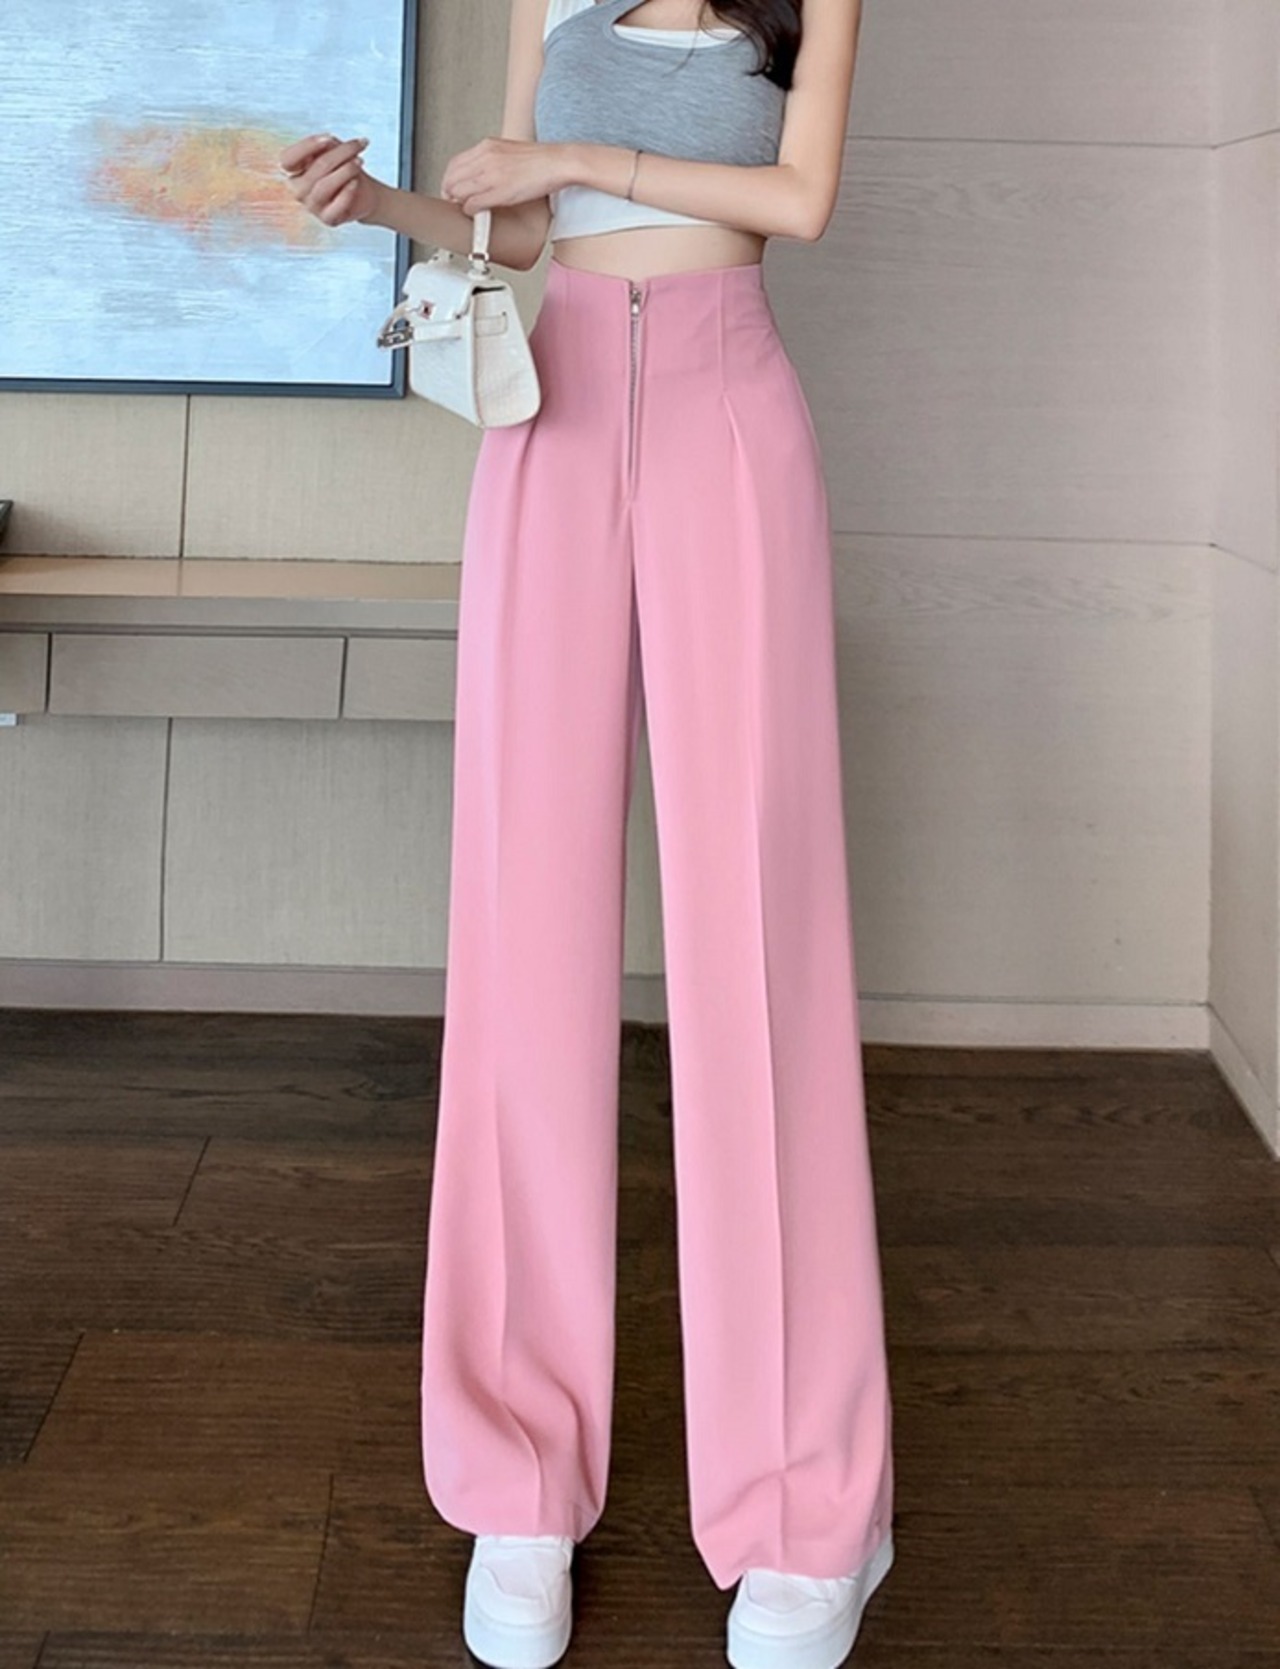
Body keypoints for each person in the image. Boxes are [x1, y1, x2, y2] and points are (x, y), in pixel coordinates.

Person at [281, 2, 892, 1665]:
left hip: (728, 408)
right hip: (551, 417)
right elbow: (528, 228)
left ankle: (808, 1505)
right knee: (523, 929)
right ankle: (518, 1475)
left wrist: (574, 147)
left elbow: (799, 197)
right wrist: (386, 206)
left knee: (757, 934)